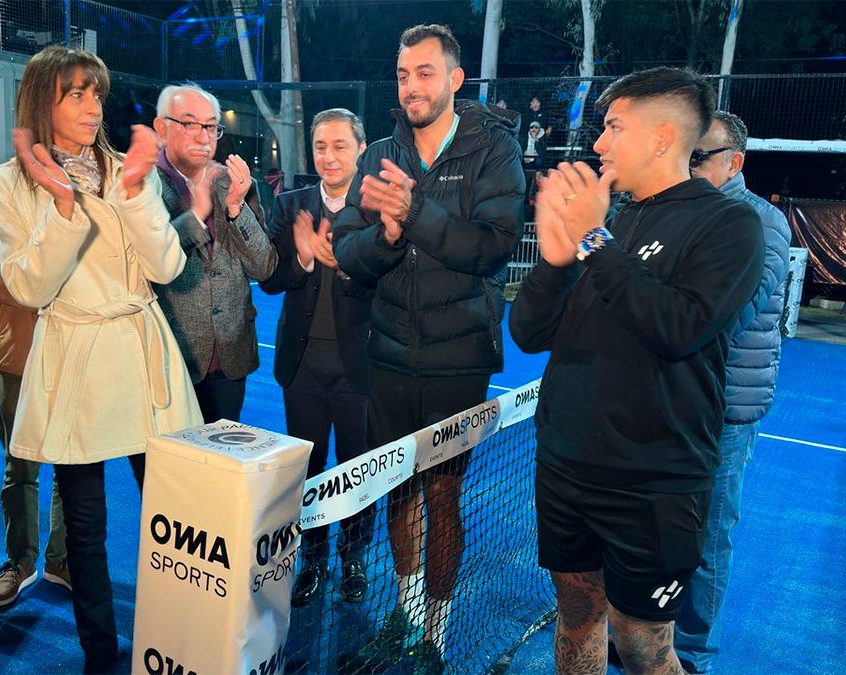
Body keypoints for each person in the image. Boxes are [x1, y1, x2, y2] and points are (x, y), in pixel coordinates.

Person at [508, 67, 764, 675]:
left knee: (641, 642)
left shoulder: (729, 225)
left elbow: (678, 327)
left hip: (653, 483)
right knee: (577, 613)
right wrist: (555, 260)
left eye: (614, 127)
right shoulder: (617, 220)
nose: (598, 143)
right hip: (567, 468)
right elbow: (528, 333)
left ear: (661, 137)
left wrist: (593, 240)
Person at [0, 45, 202, 672]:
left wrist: (134, 195)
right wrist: (60, 207)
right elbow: (28, 287)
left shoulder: (131, 169)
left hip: (143, 354)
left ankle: (183, 640)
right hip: (74, 358)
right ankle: (99, 655)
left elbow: (167, 266)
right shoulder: (7, 183)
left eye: (96, 93)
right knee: (84, 526)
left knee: (176, 512)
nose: (92, 106)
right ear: (42, 101)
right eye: (75, 93)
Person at [333, 24, 524, 674]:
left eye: (423, 72)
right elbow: (348, 251)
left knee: (443, 496)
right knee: (399, 491)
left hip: (457, 362)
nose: (410, 86)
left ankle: (435, 638)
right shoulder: (380, 152)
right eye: (402, 74)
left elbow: (493, 246)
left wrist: (413, 214)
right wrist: (386, 235)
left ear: (454, 79)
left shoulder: (494, 149)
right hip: (387, 356)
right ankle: (407, 615)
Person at [673, 111, 790, 674]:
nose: (688, 166)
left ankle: (691, 652)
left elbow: (726, 317)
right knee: (666, 527)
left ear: (733, 161)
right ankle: (651, 635)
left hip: (724, 409)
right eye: (686, 155)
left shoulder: (762, 223)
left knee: (709, 534)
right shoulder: (678, 212)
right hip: (674, 403)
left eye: (699, 157)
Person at [259, 108, 373, 609]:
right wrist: (303, 258)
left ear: (361, 149)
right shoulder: (289, 206)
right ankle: (313, 559)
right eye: (320, 146)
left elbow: (389, 280)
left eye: (339, 145)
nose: (328, 156)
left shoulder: (378, 206)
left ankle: (354, 559)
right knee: (309, 470)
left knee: (357, 471)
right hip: (302, 366)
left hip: (360, 369)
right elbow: (270, 279)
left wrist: (344, 264)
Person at [0, 198, 71, 609]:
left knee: (73, 465)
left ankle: (63, 559)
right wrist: (37, 282)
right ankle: (20, 562)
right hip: (19, 354)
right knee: (19, 465)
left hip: (76, 353)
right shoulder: (1, 194)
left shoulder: (89, 189)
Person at [151, 83, 276, 424]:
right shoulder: (142, 185)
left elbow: (263, 267)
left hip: (230, 357)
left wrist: (236, 208)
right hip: (168, 359)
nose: (203, 136)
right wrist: (197, 213)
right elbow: (149, 264)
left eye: (210, 126)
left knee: (222, 453)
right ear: (161, 128)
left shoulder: (235, 184)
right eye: (189, 123)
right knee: (170, 457)